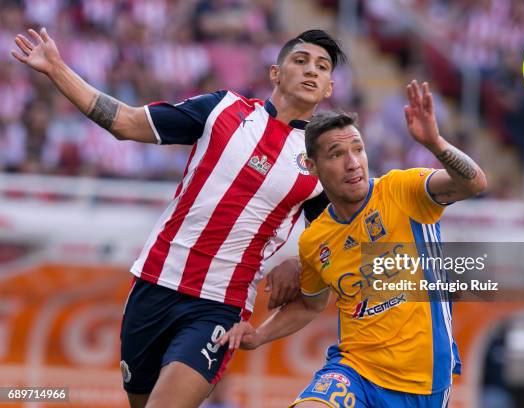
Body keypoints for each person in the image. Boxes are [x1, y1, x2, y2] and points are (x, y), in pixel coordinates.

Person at [11, 27, 346, 408]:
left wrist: (296, 260)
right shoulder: (223, 110)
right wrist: (57, 69)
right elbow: (126, 123)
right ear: (275, 72)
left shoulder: (322, 161)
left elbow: (333, 245)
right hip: (153, 283)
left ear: (329, 88)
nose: (311, 71)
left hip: (220, 304)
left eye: (321, 67)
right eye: (300, 61)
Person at [217, 80, 487, 407]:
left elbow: (474, 183)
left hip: (424, 384)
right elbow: (310, 304)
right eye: (337, 154)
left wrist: (435, 143)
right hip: (354, 371)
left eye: (358, 149)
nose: (352, 162)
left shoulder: (401, 190)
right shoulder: (316, 239)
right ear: (312, 166)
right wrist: (258, 335)